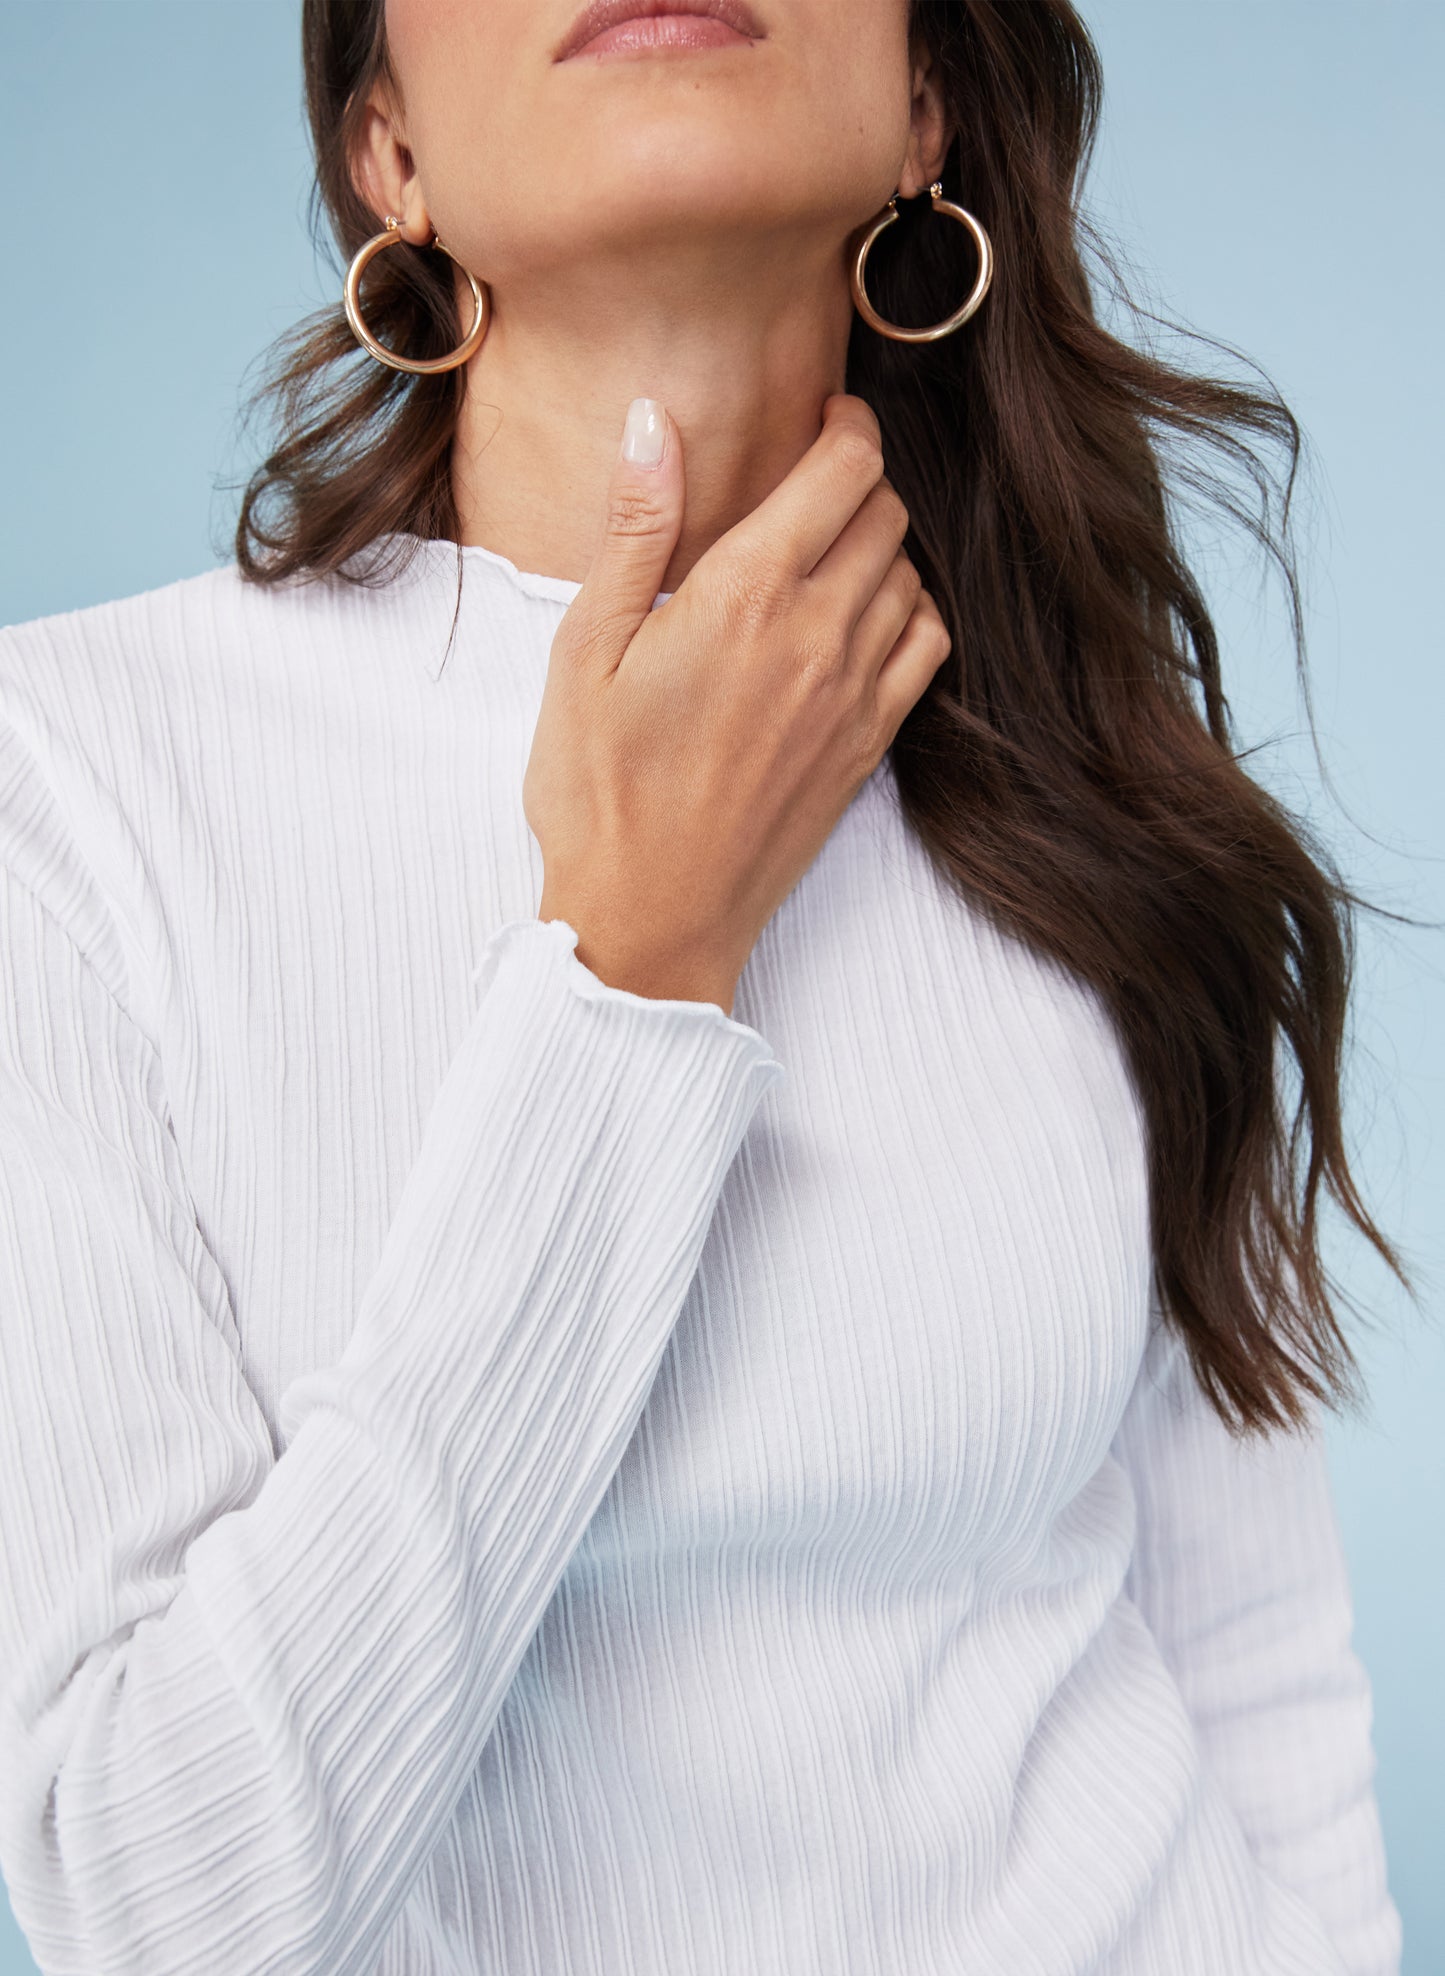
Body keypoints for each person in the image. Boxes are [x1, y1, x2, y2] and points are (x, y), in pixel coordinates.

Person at [0, 2, 1405, 1972]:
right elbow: (168, 1902)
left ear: (924, 106)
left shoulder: (1090, 782)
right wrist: (633, 962)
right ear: (387, 151)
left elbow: (1254, 1660)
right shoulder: (66, 791)